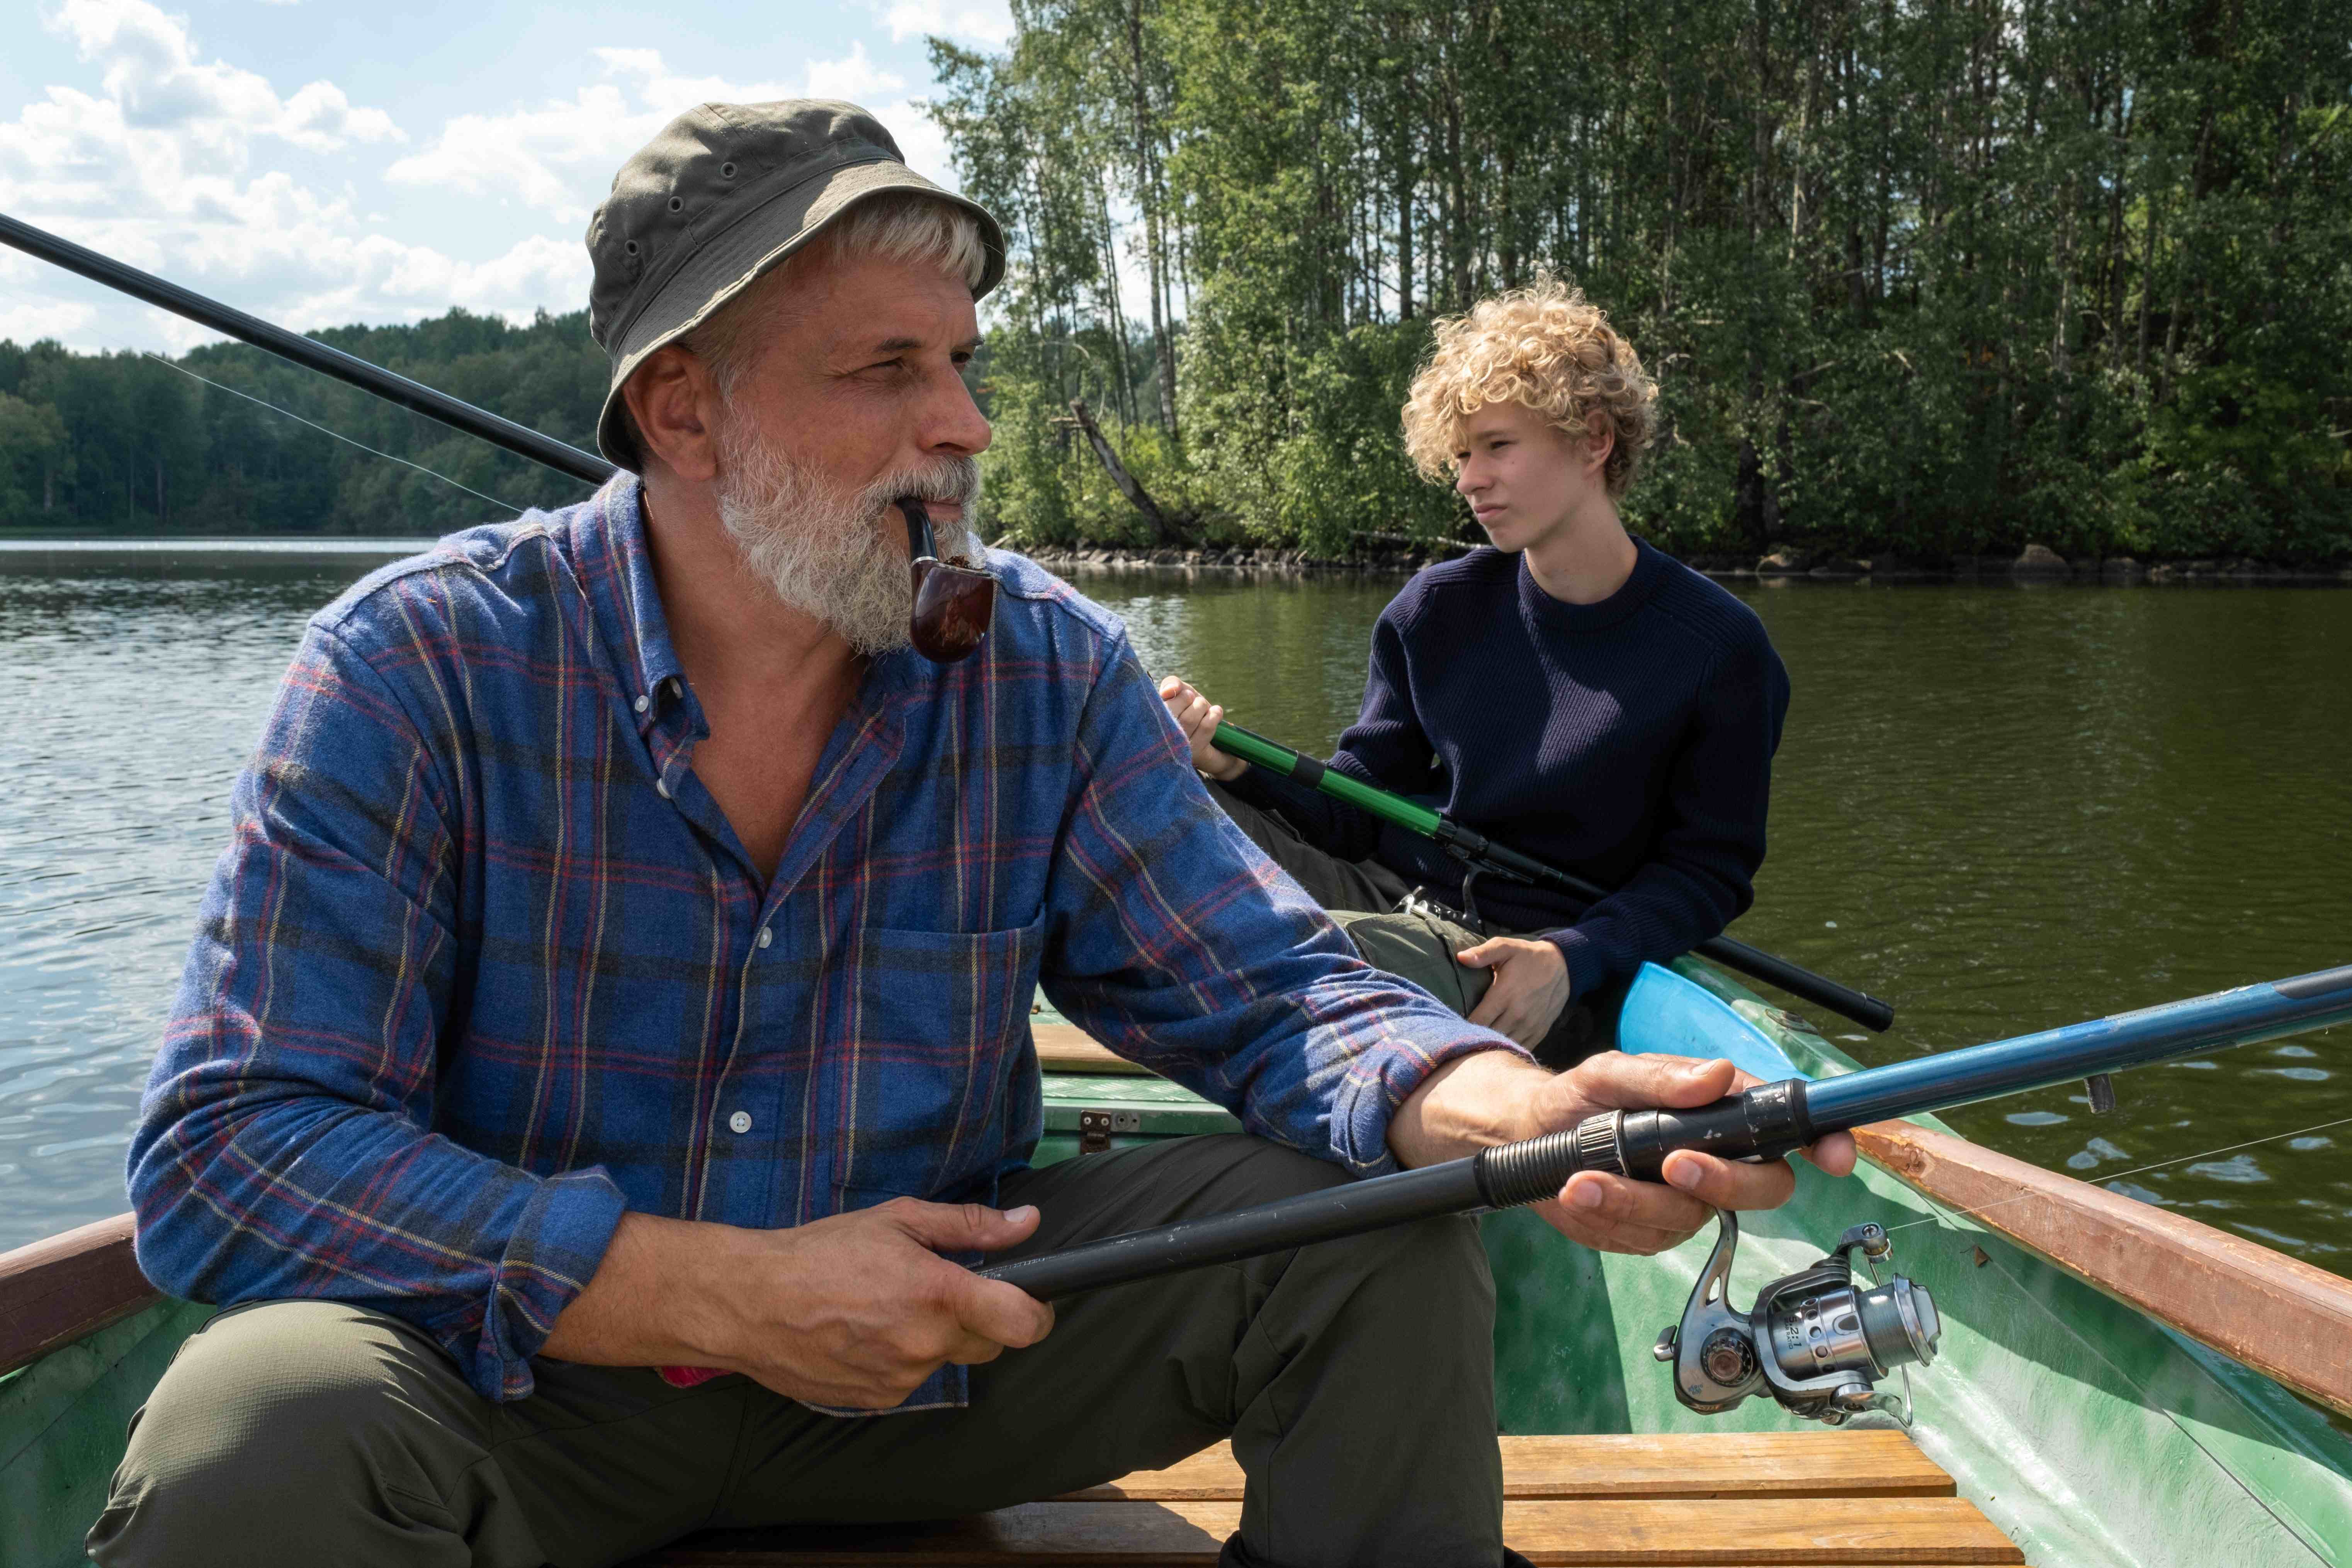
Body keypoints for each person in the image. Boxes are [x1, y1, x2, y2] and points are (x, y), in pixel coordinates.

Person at [90, 105, 1848, 1568]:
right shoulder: (415, 671)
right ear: (684, 409)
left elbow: (1265, 996)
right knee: (257, 1427)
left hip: (950, 1350)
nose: (963, 424)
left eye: (960, 365)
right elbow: (230, 1155)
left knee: (1378, 1217)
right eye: (883, 368)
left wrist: (1517, 1108)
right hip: (539, 1383)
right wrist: (706, 1293)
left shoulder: (1039, 668)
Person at [1162, 278, 1790, 1065]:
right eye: (1460, 455)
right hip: (1384, 902)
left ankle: (1248, 961)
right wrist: (1225, 762)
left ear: (1593, 439)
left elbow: (1706, 873)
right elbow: (1355, 806)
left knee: (1292, 941)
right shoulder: (1432, 610)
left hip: (1521, 963)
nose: (1468, 481)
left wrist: (1572, 956)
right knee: (1157, 792)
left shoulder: (1718, 648)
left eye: (1496, 446)